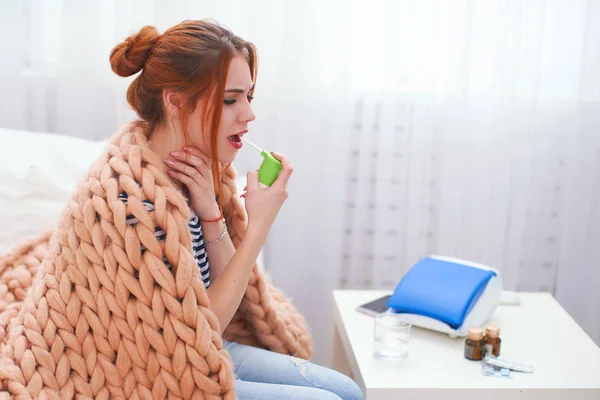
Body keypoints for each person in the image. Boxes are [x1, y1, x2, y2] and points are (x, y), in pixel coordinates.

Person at [109, 19, 364, 400]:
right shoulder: (137, 202)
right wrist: (258, 227)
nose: (249, 114)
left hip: (206, 346)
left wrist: (211, 211)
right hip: (163, 370)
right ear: (175, 101)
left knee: (347, 390)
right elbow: (202, 330)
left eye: (249, 96)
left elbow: (224, 288)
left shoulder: (193, 172)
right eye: (231, 99)